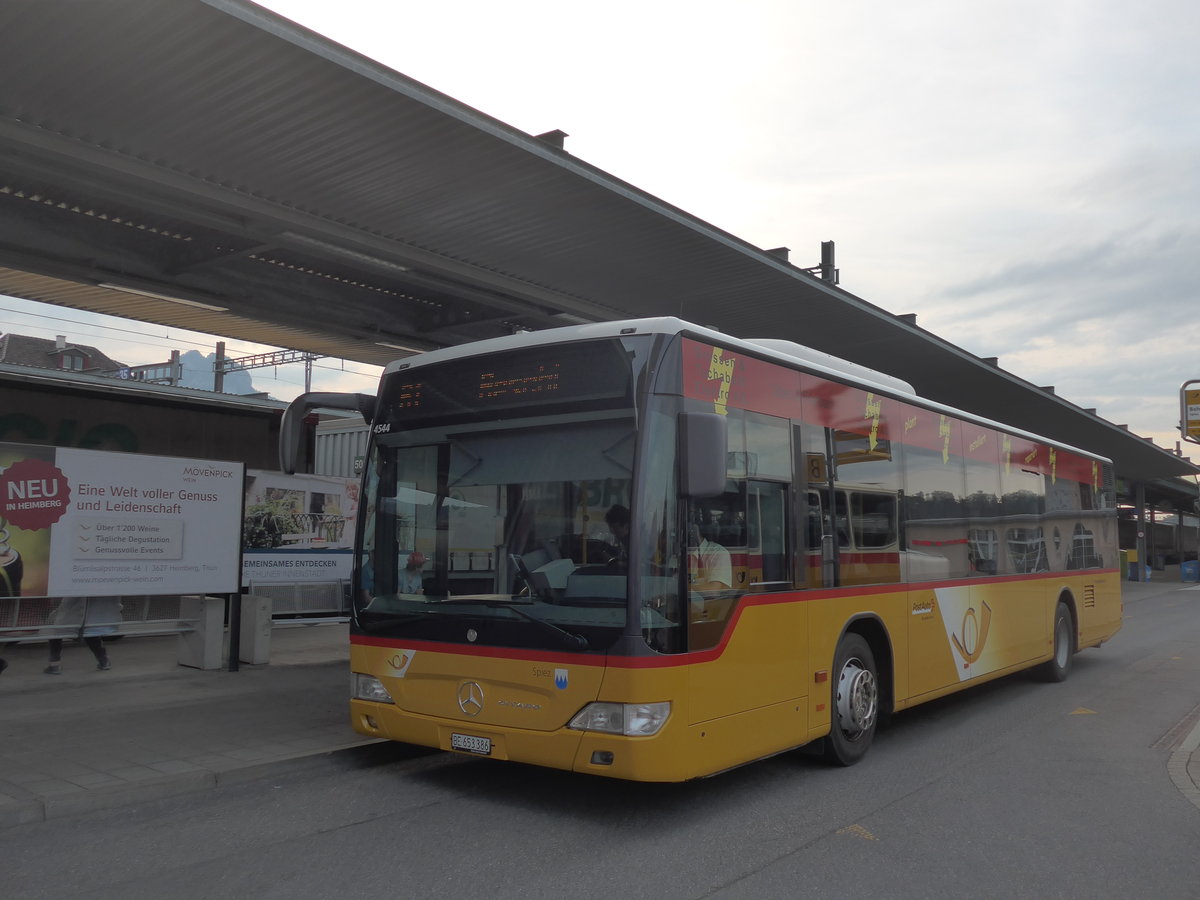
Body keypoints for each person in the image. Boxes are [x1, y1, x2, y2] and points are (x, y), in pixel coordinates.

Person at [42, 596, 122, 674]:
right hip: (95, 620)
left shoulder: (77, 586)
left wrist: (59, 611)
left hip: (74, 619)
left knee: (53, 630)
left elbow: (67, 603)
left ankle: (54, 664)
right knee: (91, 634)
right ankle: (104, 661)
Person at [687, 522, 732, 592]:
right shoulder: (682, 554)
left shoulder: (718, 553)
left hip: (712, 602)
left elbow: (713, 590)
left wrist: (685, 588)